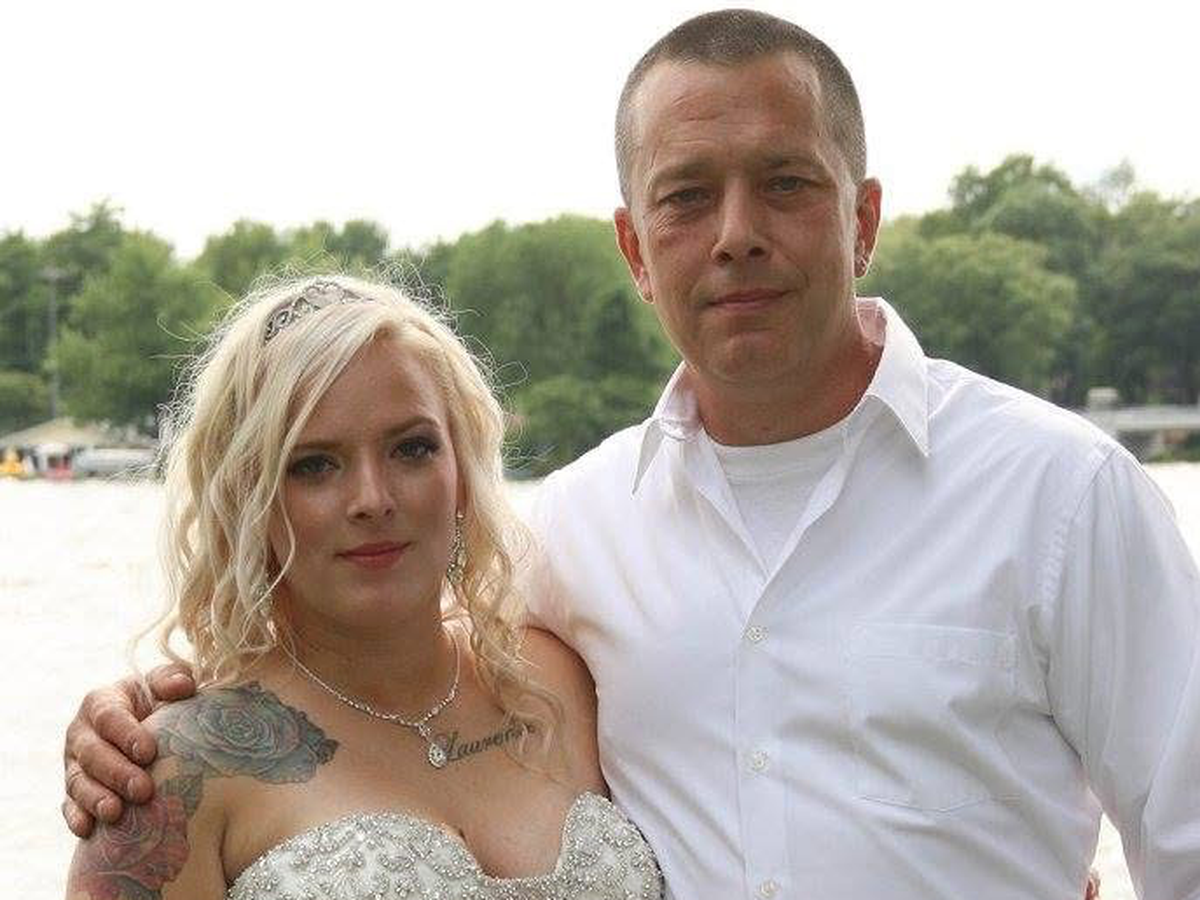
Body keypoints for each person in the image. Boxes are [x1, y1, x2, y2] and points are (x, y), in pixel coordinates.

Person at [63, 9, 1199, 899]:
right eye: (687, 197)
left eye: (786, 184)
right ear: (636, 249)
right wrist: (138, 719)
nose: (737, 234)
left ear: (862, 219)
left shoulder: (1065, 497)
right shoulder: (575, 534)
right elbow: (362, 649)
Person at [63, 275, 664, 899]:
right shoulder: (171, 772)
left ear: (462, 469)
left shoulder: (564, 680)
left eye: (412, 449)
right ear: (248, 500)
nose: (373, 499)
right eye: (314, 465)